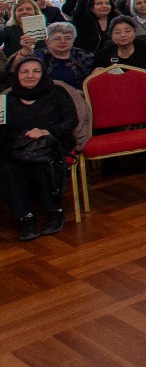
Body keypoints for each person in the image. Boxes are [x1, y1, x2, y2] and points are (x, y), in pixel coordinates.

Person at [1, 54, 79, 240]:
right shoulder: (7, 99)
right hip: (17, 147)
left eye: (36, 71)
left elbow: (71, 120)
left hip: (52, 142)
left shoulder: (57, 92)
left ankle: (54, 212)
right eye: (24, 72)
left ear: (43, 73)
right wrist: (22, 138)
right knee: (8, 168)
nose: (30, 75)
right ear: (16, 75)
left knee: (44, 163)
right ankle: (25, 218)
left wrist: (46, 131)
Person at [93, 15, 146, 88]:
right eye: (117, 32)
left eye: (127, 31)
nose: (123, 35)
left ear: (134, 32)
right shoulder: (103, 54)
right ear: (111, 36)